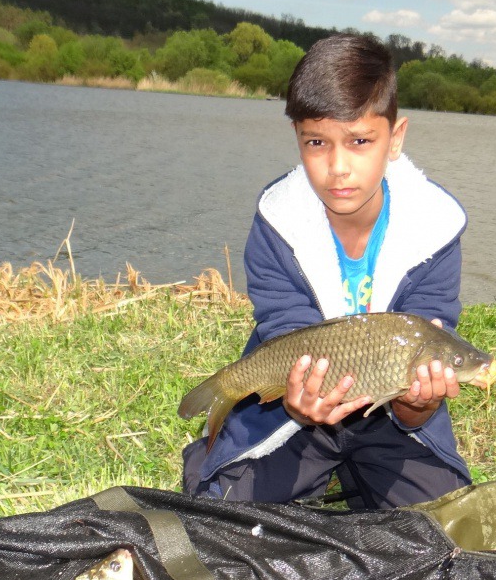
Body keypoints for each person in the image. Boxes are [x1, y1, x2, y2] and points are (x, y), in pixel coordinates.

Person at [180, 33, 473, 508]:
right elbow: (286, 328)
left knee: (443, 524)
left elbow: (432, 327)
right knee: (228, 509)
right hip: (295, 413)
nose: (338, 167)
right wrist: (299, 400)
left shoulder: (436, 227)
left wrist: (418, 405)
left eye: (360, 141)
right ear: (297, 137)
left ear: (394, 139)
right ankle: (224, 449)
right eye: (317, 142)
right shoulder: (278, 221)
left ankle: (363, 470)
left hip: (391, 417)